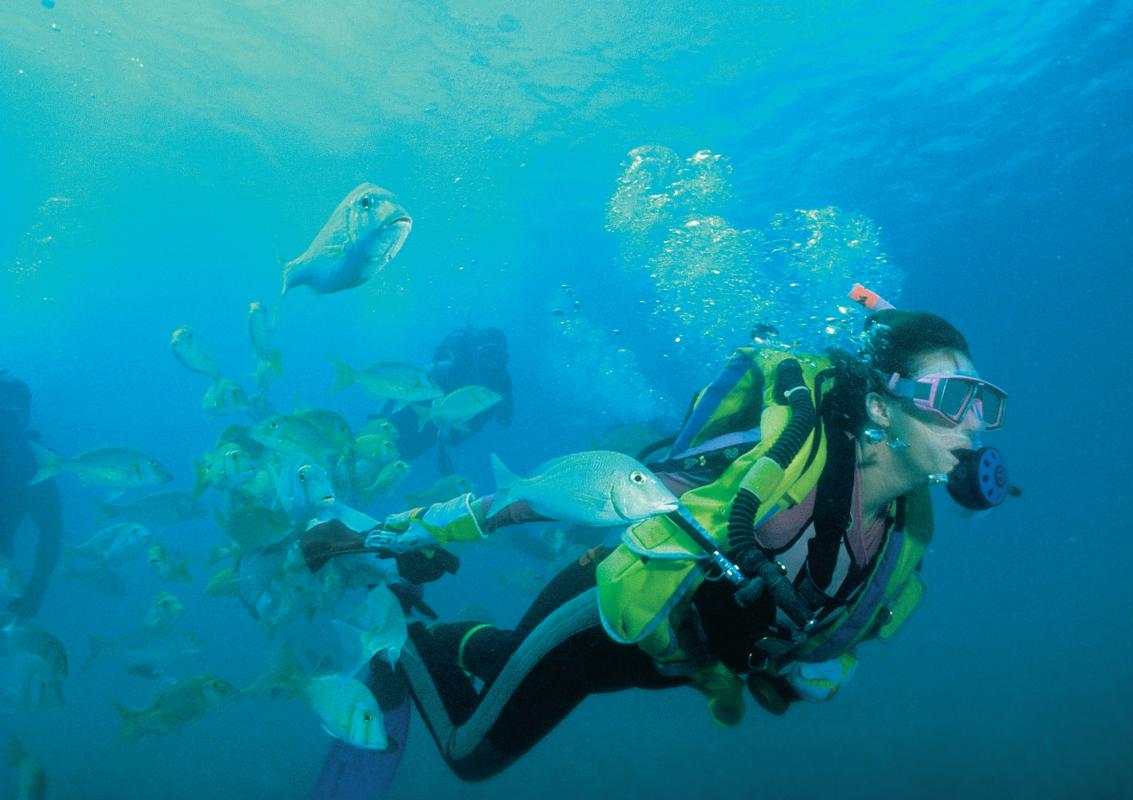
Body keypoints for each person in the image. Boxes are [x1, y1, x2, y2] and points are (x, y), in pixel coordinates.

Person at [306, 292, 1011, 783]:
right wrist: (375, 538)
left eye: (985, 403)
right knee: (470, 753)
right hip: (596, 619)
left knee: (508, 660)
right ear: (884, 407)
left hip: (661, 662)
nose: (975, 425)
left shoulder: (903, 532)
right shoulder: (776, 466)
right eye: (955, 400)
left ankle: (472, 645)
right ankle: (407, 645)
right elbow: (525, 506)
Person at [377, 322, 514, 475]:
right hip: (407, 415)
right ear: (476, 351)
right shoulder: (453, 367)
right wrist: (377, 417)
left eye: (500, 356)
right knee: (374, 447)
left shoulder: (499, 383)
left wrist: (505, 391)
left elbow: (505, 420)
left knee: (392, 465)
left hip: (432, 433)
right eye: (489, 353)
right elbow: (405, 384)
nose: (493, 361)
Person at [0, 372, 63, 623]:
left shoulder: (33, 465)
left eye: (11, 416)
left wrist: (36, 591)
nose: (3, 424)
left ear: (24, 419)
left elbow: (51, 531)